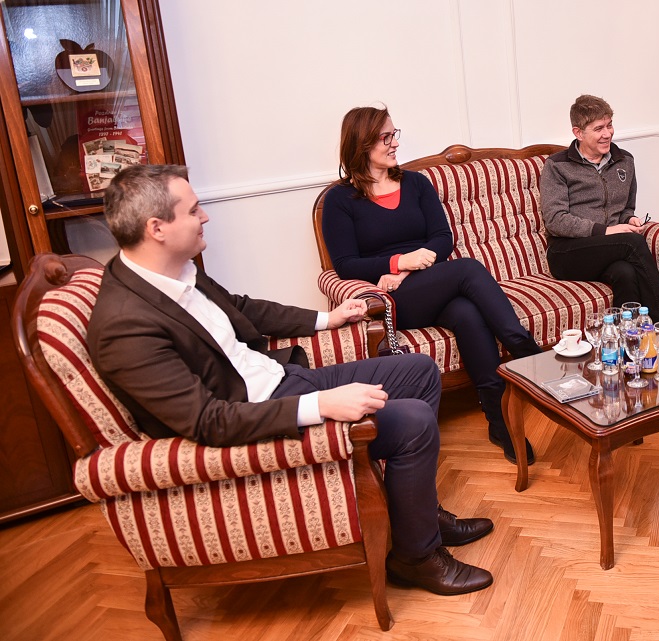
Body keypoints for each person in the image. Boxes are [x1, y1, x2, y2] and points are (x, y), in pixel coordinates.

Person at [88, 165, 494, 596]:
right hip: (258, 417)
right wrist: (321, 405)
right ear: (157, 229)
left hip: (281, 379)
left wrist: (327, 318)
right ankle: (416, 559)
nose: (205, 216)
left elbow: (243, 308)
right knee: (412, 421)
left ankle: (420, 518)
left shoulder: (174, 270)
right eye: (193, 210)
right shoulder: (125, 325)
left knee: (418, 370)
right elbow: (209, 421)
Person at [321, 106, 544, 465]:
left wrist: (410, 267)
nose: (395, 143)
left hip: (429, 283)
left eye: (394, 134)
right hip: (395, 300)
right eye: (386, 137)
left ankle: (498, 422)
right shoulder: (339, 200)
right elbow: (345, 264)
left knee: (467, 314)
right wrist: (399, 262)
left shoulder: (415, 184)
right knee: (468, 268)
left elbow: (442, 237)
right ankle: (529, 355)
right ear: (362, 144)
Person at [540, 94, 659, 324]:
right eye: (598, 128)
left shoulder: (624, 161)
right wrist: (605, 231)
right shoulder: (558, 165)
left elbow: (626, 208)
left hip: (607, 249)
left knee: (625, 272)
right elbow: (555, 220)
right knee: (631, 243)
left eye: (609, 125)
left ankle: (628, 337)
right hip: (566, 253)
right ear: (578, 133)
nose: (607, 134)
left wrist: (629, 219)